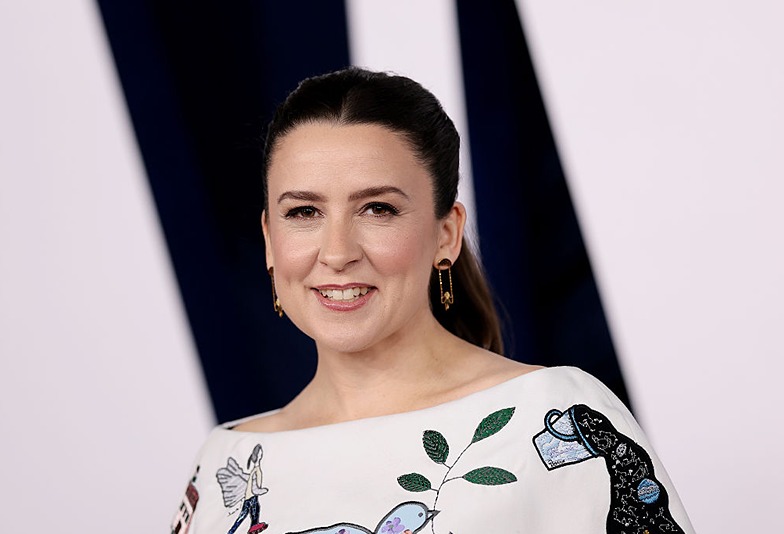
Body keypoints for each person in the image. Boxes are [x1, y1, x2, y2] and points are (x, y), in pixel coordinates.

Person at [171, 67, 693, 534]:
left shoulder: (553, 416)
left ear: (447, 234)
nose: (336, 253)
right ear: (269, 239)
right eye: (304, 213)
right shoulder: (226, 463)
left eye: (377, 209)